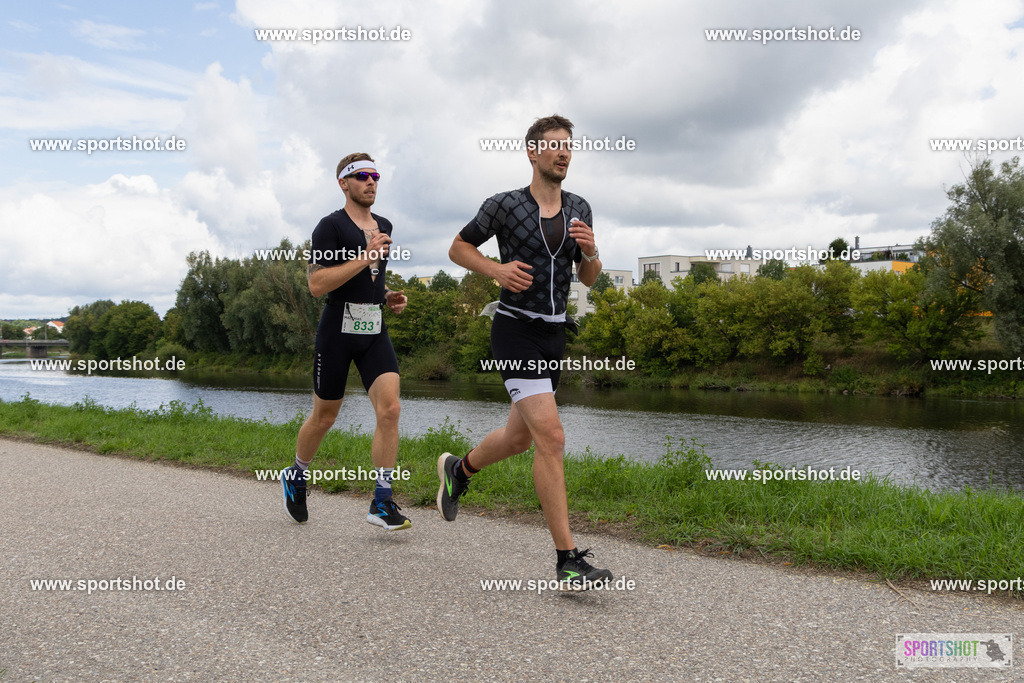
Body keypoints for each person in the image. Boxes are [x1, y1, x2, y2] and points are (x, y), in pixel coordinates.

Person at [438, 115, 612, 588]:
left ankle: (460, 468)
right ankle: (567, 559)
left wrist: (592, 253)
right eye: (553, 146)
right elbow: (457, 247)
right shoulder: (504, 205)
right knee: (551, 439)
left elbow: (590, 278)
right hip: (514, 331)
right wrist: (495, 271)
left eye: (568, 147)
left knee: (519, 439)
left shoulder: (580, 208)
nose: (563, 154)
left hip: (556, 334)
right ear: (532, 153)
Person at [282, 152, 411, 531]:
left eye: (375, 176)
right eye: (362, 176)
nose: (371, 182)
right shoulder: (330, 227)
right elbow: (316, 284)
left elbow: (369, 277)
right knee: (325, 417)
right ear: (344, 183)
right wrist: (364, 256)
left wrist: (387, 295)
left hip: (373, 329)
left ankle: (382, 501)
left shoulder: (385, 224)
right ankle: (296, 475)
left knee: (390, 410)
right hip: (337, 328)